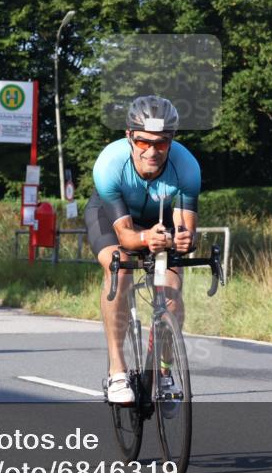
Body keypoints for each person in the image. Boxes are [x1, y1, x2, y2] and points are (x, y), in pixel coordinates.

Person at [85, 96, 200, 404]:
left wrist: (184, 240)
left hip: (159, 220)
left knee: (171, 289)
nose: (151, 151)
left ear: (172, 139)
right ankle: (117, 370)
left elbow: (186, 228)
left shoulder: (187, 167)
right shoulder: (109, 164)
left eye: (161, 143)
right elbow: (125, 235)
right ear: (129, 136)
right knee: (119, 267)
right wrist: (146, 238)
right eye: (143, 142)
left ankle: (163, 372)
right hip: (113, 219)